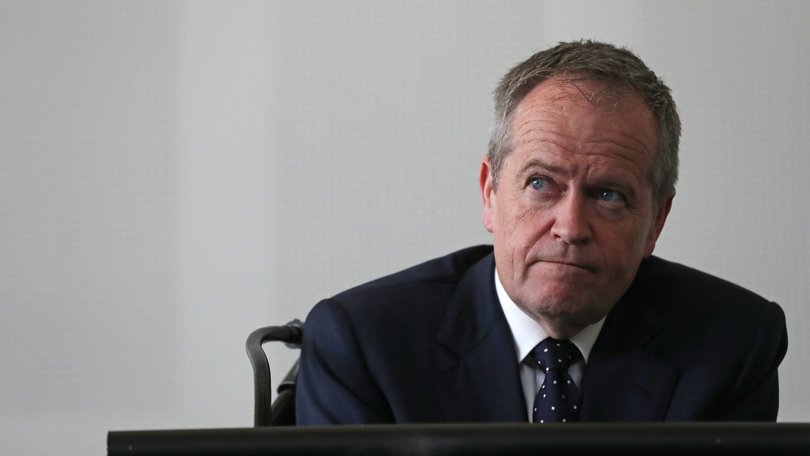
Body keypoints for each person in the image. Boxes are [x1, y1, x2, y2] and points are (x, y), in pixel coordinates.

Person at [295, 40, 788, 424]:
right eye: (540, 183)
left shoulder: (732, 343)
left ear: (657, 219)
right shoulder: (365, 342)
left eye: (608, 195)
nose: (571, 227)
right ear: (490, 193)